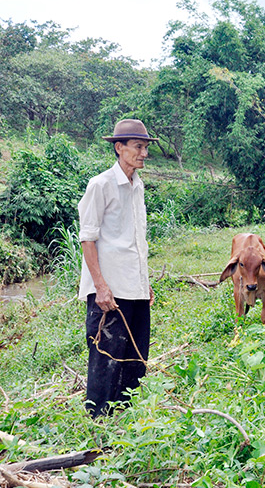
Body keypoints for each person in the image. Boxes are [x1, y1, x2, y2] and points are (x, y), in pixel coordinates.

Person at [78, 119, 156, 418]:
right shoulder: (101, 185)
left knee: (135, 358)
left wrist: (144, 282)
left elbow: (136, 240)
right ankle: (97, 422)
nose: (144, 153)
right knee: (105, 358)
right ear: (119, 148)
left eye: (146, 147)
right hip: (109, 290)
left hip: (133, 287)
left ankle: (124, 419)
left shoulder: (138, 187)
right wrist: (100, 285)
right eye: (138, 147)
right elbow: (88, 238)